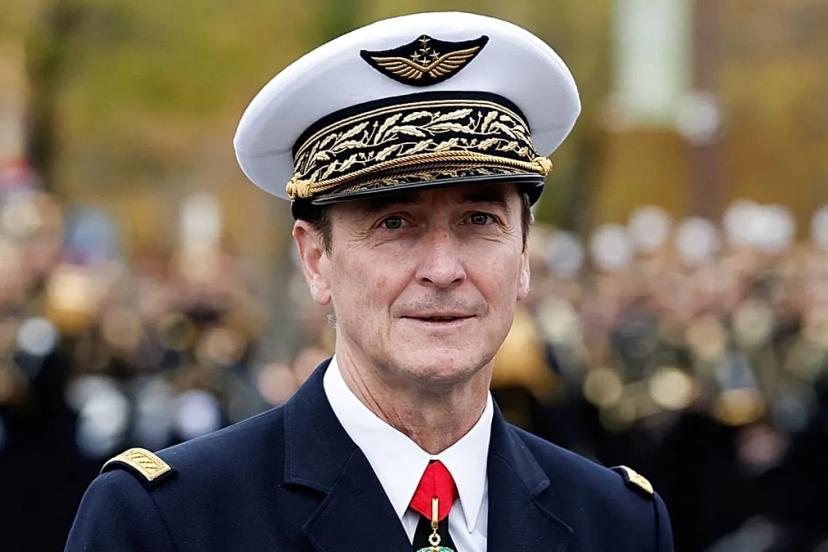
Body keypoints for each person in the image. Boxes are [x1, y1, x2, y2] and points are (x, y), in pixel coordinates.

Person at [66, 12, 673, 551]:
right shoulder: (170, 521)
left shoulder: (617, 523)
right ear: (316, 260)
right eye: (395, 224)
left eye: (479, 220)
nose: (443, 270)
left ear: (524, 255)